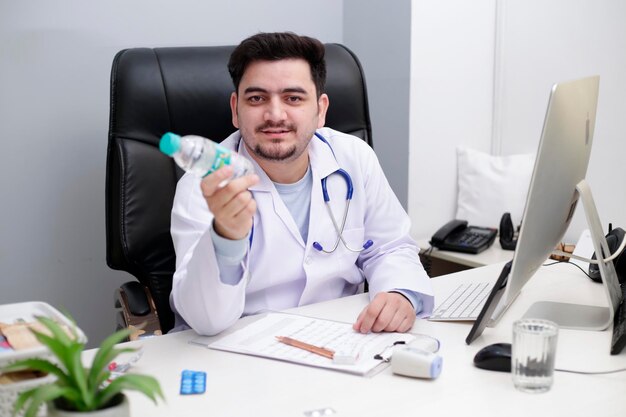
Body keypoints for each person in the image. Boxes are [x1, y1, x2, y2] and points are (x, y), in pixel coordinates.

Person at [169, 32, 433, 336]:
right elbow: (205, 320)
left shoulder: (354, 158)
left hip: (345, 336)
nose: (275, 114)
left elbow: (390, 247)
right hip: (241, 346)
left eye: (293, 98)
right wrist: (226, 236)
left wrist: (401, 294)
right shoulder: (203, 187)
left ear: (320, 109)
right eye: (257, 98)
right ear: (235, 109)